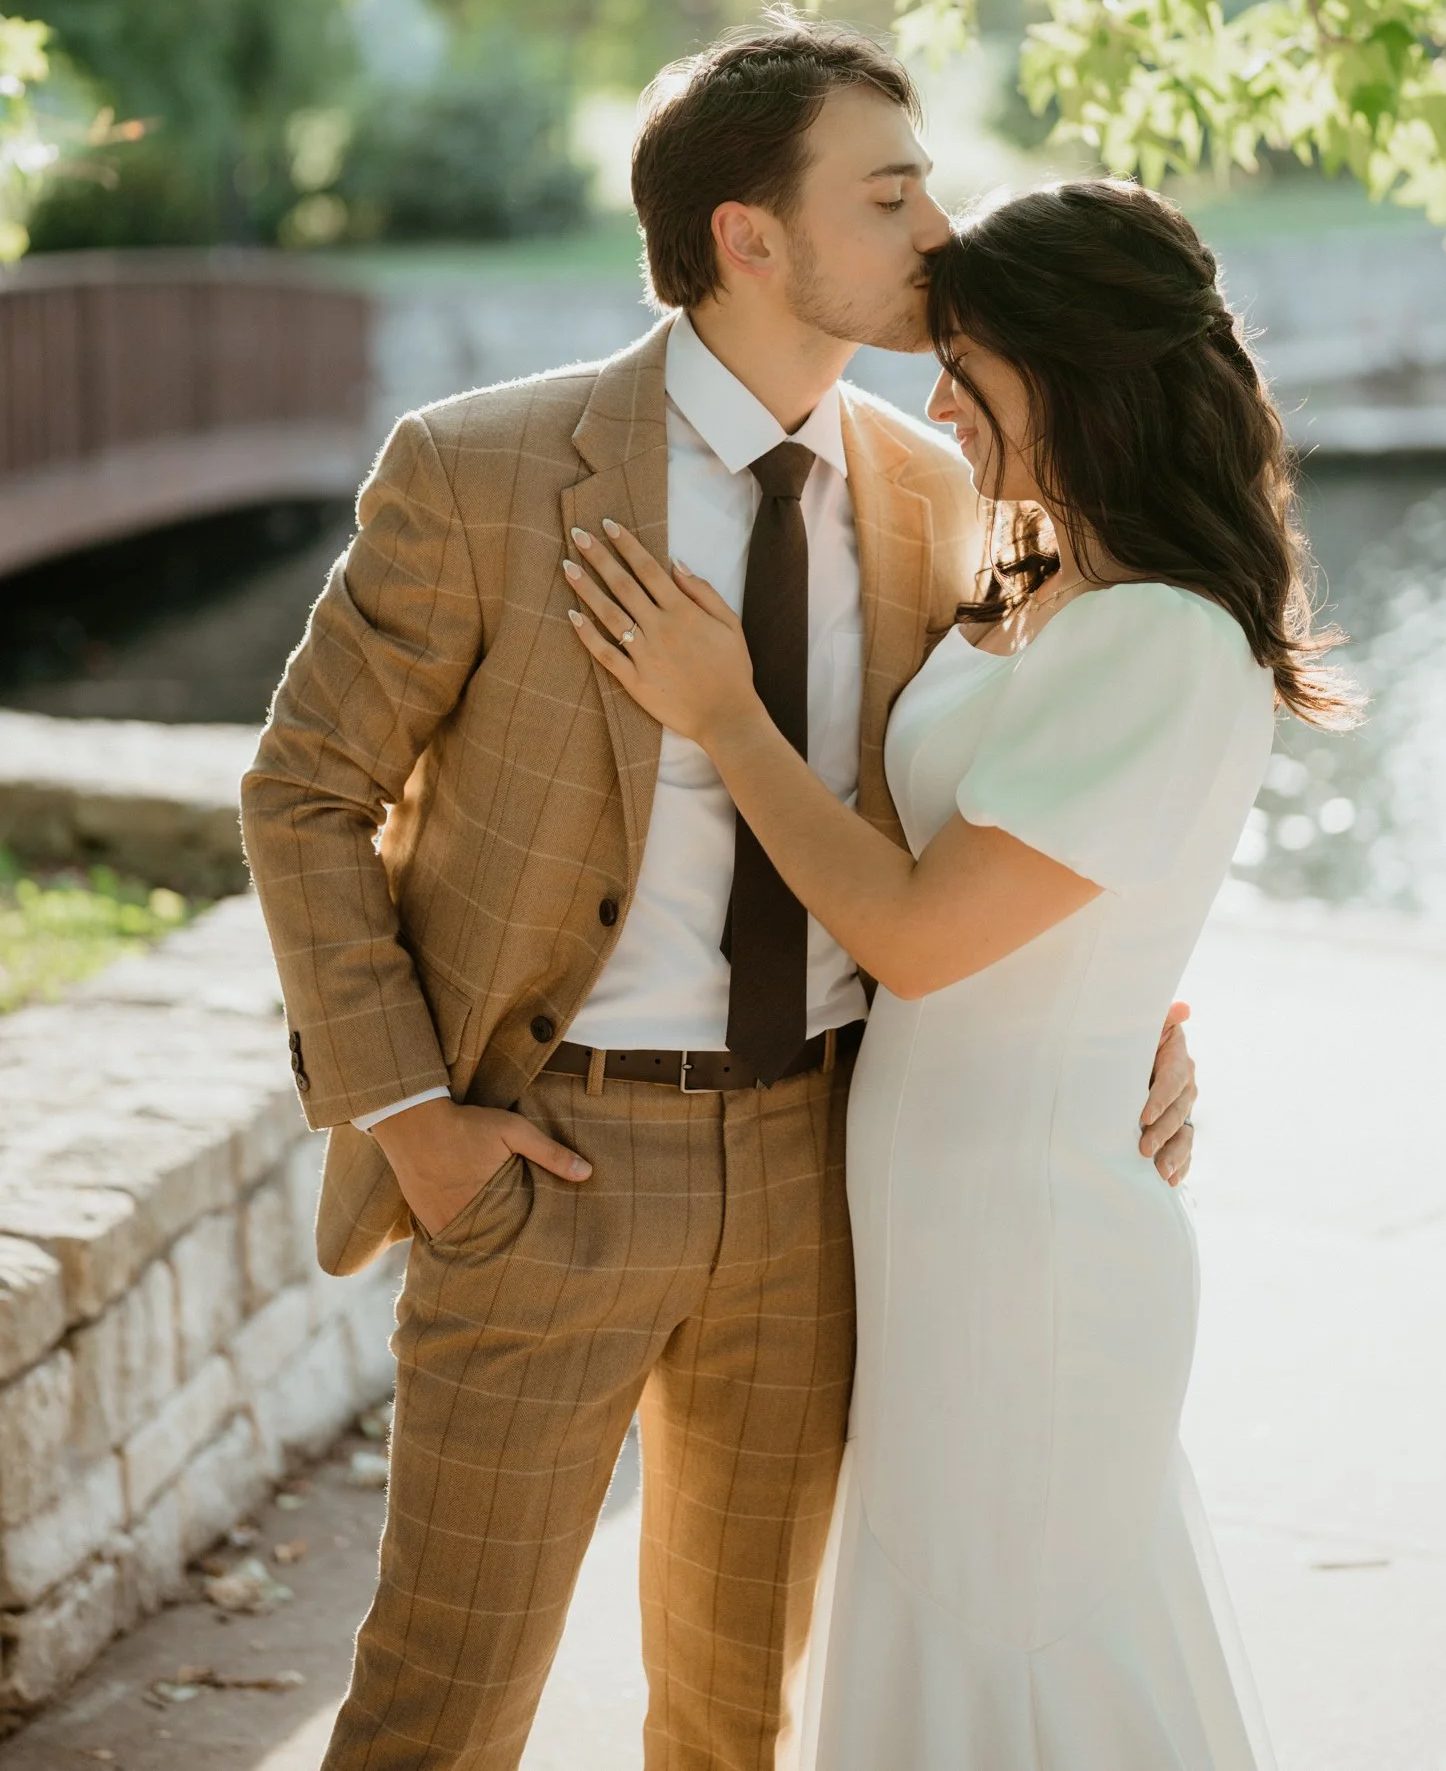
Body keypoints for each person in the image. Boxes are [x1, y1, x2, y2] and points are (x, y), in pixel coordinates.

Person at [240, 18, 1204, 1771]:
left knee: (735, 1717)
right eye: (891, 193)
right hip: (544, 1165)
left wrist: (1130, 1019)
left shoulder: (936, 494)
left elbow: (1058, 783)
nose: (936, 232)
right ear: (748, 237)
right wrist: (411, 1117)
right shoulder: (482, 470)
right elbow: (304, 792)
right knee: (438, 1710)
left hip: (823, 1177)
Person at [566, 175, 1355, 1771]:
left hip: (1035, 1257)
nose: (932, 400)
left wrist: (725, 716)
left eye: (970, 362)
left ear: (1074, 370)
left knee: (1024, 1664)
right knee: (951, 1649)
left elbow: (921, 933)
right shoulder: (1033, 584)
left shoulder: (1161, 639)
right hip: (946, 1241)